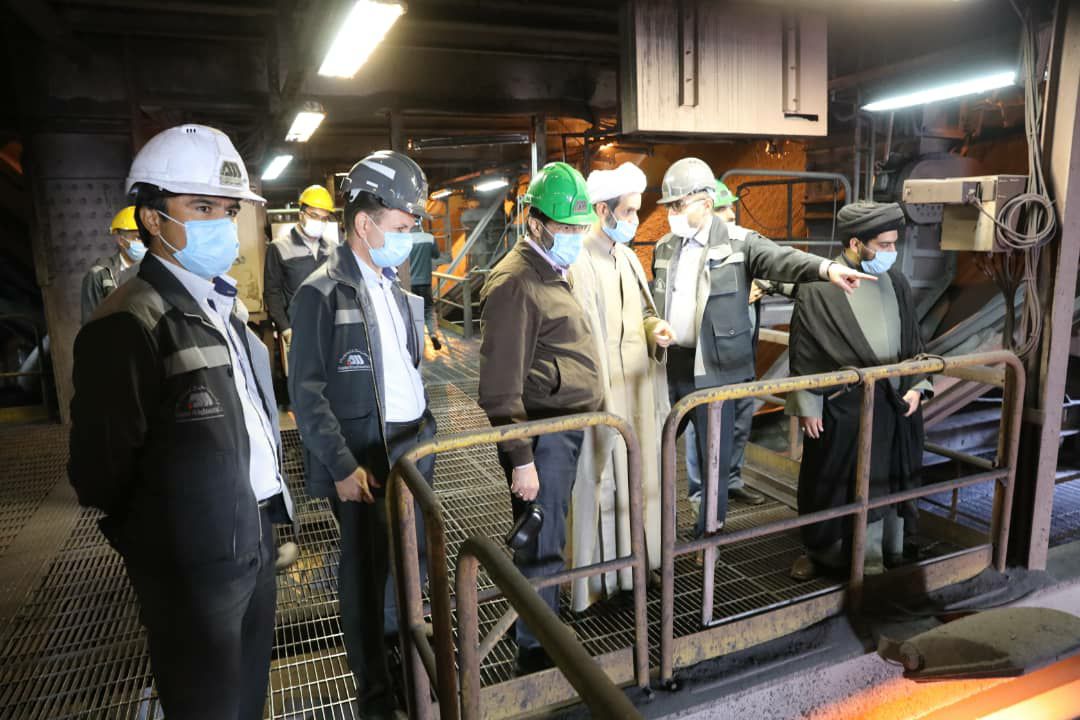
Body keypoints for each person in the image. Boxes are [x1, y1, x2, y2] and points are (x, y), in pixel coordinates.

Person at [68, 124, 296, 720]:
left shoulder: (221, 305)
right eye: (202, 207)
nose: (222, 223)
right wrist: (169, 550)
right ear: (151, 217)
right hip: (191, 573)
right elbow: (99, 473)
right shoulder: (128, 322)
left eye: (227, 210)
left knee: (247, 702)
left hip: (253, 542)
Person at [651, 157, 873, 537]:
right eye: (669, 206)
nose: (672, 213)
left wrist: (826, 269)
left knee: (714, 462)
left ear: (706, 202)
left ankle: (708, 540)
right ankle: (659, 538)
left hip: (715, 373)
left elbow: (782, 259)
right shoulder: (664, 247)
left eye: (678, 204)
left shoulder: (741, 243)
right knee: (654, 455)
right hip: (670, 367)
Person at [288, 150, 433, 719]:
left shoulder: (392, 285)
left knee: (408, 567)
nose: (408, 236)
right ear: (365, 223)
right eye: (402, 224)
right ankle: (376, 696)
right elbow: (306, 393)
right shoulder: (320, 292)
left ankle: (405, 668)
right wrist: (341, 465)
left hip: (412, 447)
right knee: (367, 576)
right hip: (365, 458)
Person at [478, 161, 602, 674]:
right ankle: (536, 654)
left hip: (558, 432)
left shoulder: (549, 269)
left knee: (548, 536)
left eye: (580, 227)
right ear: (536, 223)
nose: (575, 236)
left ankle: (536, 624)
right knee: (543, 544)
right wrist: (522, 459)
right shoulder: (515, 283)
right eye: (566, 227)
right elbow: (499, 388)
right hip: (541, 436)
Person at [786, 201, 932, 580]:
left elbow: (914, 341)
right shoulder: (818, 288)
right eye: (884, 245)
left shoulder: (896, 282)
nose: (891, 252)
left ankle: (883, 555)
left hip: (893, 404)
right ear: (856, 244)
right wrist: (808, 404)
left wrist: (918, 385)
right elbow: (804, 350)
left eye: (893, 244)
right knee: (830, 481)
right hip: (841, 408)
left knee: (886, 482)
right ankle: (823, 553)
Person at [568, 162, 673, 611]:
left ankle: (637, 569)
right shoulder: (578, 261)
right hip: (604, 393)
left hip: (638, 390)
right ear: (602, 210)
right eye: (628, 211)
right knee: (602, 481)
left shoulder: (627, 257)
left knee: (640, 475)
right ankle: (599, 583)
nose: (634, 220)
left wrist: (654, 329)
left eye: (635, 211)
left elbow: (640, 315)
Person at [263, 184, 335, 363]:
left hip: (331, 329)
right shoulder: (279, 247)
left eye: (324, 218)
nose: (319, 222)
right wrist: (285, 329)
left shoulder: (333, 248)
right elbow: (272, 292)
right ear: (301, 214)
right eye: (314, 216)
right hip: (299, 331)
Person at [80, 205, 146, 323]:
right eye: (138, 238)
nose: (145, 243)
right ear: (121, 241)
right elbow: (90, 324)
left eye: (148, 237)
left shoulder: (160, 270)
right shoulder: (100, 274)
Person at [406, 226, 447, 351]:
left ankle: (417, 339)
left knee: (413, 311)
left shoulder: (405, 240)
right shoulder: (429, 238)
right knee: (428, 309)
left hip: (411, 283)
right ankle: (433, 334)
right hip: (425, 282)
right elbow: (436, 255)